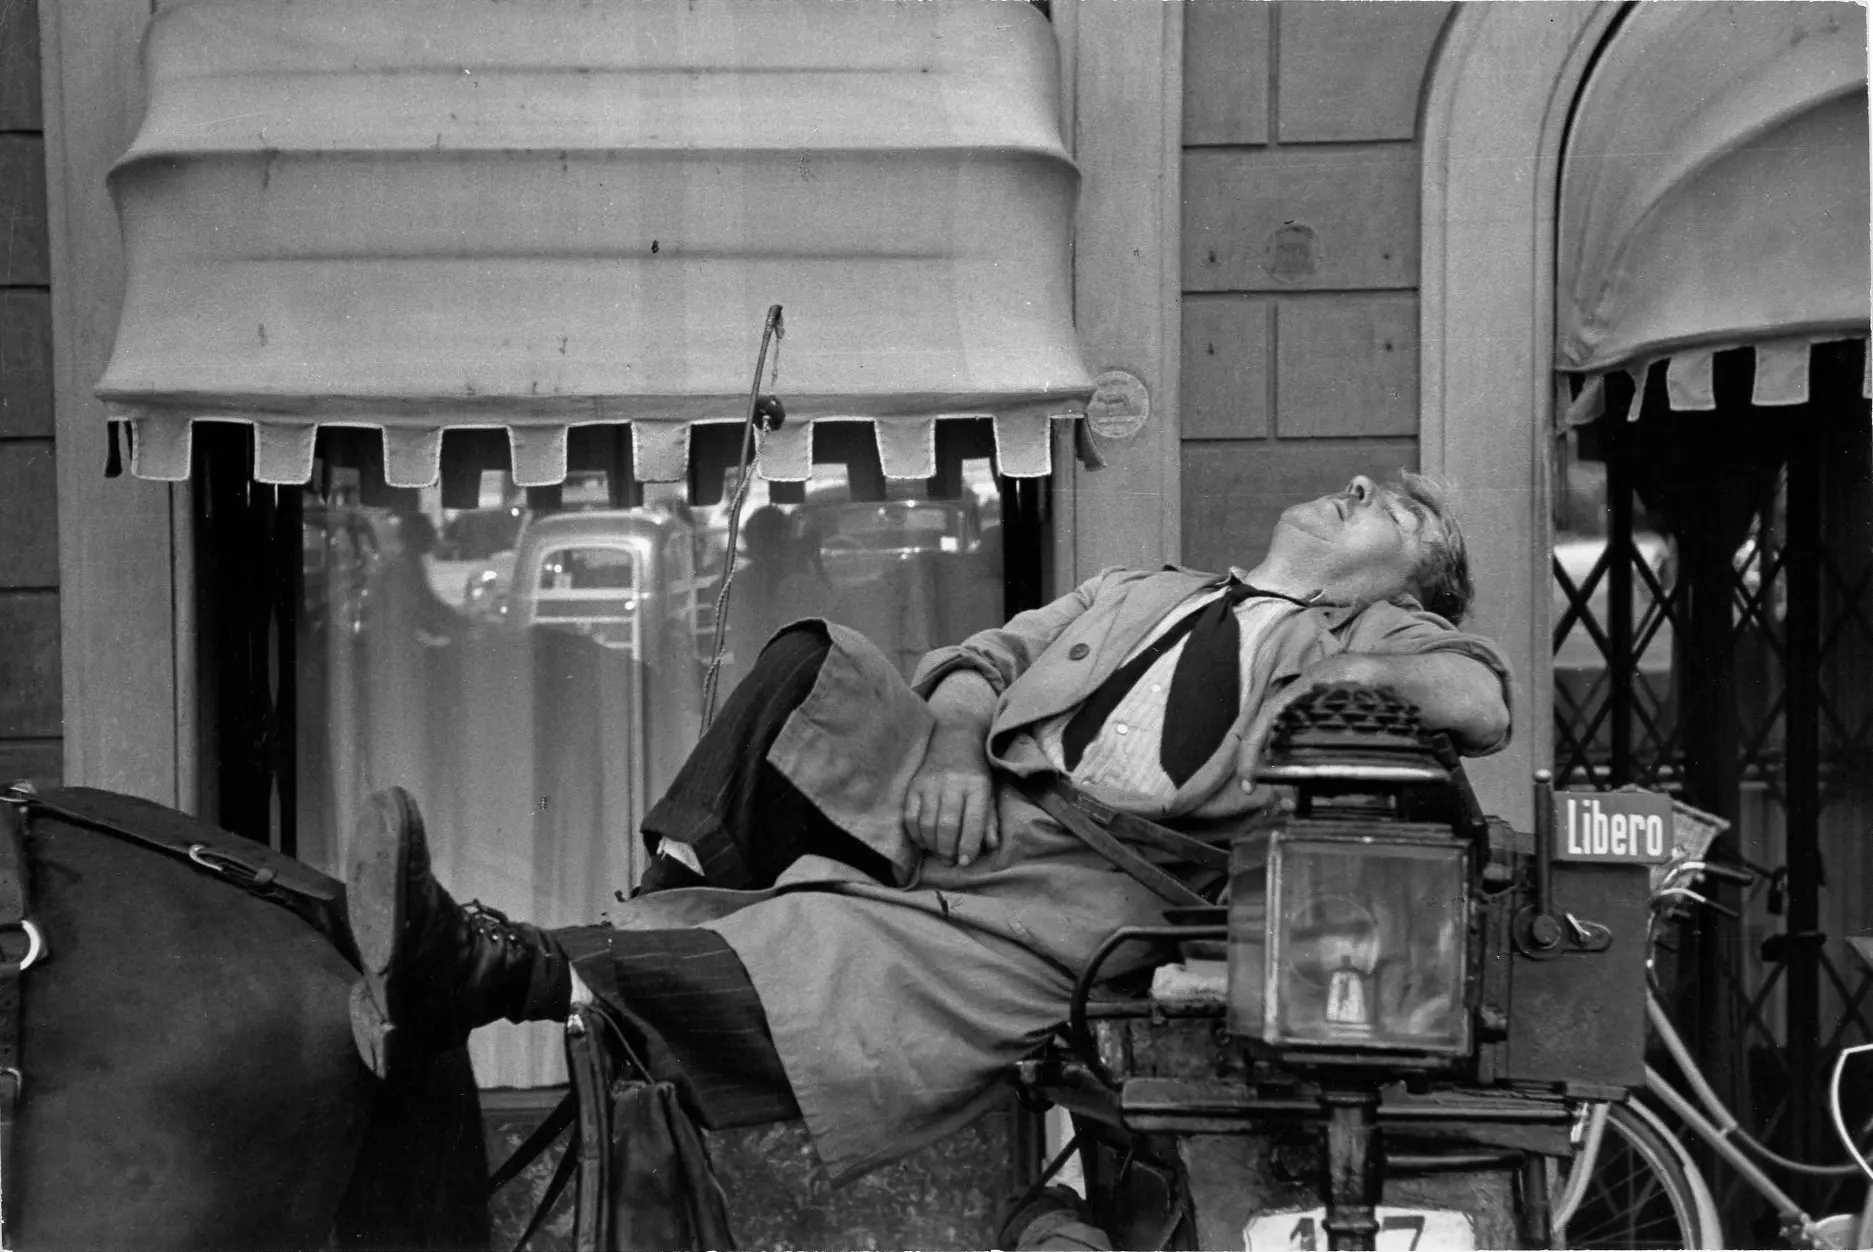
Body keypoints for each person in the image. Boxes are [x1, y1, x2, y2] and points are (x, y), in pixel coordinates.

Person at [343, 471, 1513, 1188]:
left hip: (1071, 906)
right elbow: (983, 659)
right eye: (1364, 485)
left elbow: (1481, 702)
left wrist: (1352, 652)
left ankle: (498, 968)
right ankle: (649, 929)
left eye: (1392, 507)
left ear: (1406, 587)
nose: (1356, 492)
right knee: (817, 666)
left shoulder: (1373, 641)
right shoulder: (1137, 588)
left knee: (820, 963)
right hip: (966, 800)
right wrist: (955, 741)